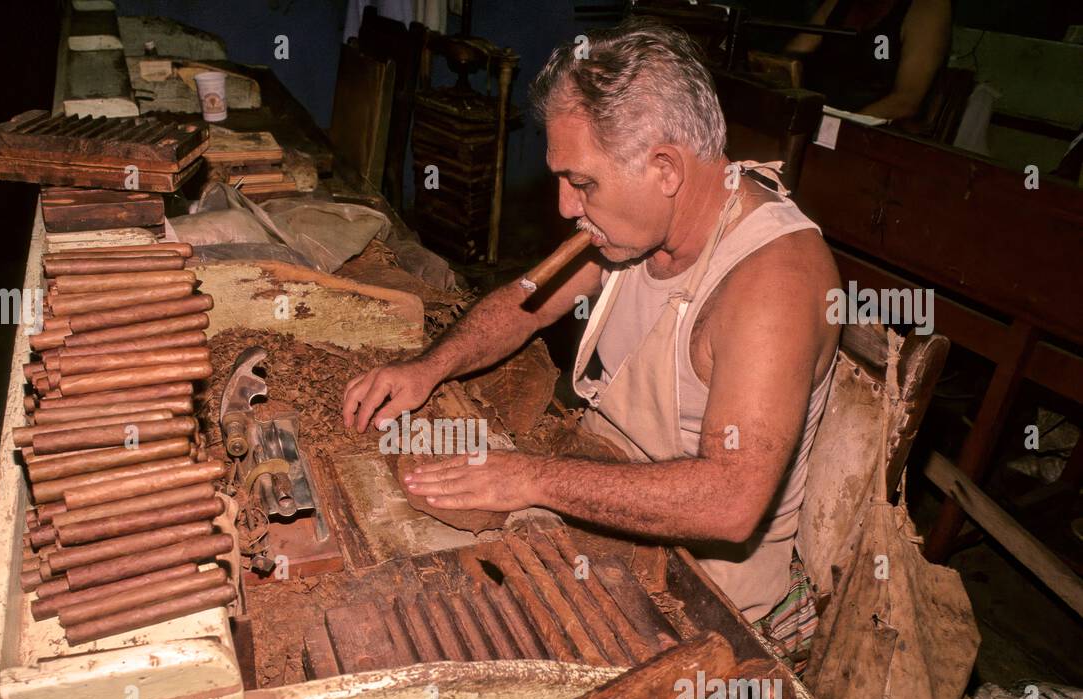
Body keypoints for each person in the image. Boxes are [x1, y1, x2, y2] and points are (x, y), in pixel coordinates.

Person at [341, 21, 841, 658]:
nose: (565, 206)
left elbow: (731, 502)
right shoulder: (633, 224)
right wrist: (428, 368)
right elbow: (525, 306)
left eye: (582, 183)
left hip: (706, 593)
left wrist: (531, 478)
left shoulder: (774, 281)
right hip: (608, 492)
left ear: (665, 168)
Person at [787, 0, 952, 120]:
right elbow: (791, 60)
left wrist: (835, 127)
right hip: (813, 119)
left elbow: (907, 101)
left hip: (874, 138)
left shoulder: (927, 7)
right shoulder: (837, 4)